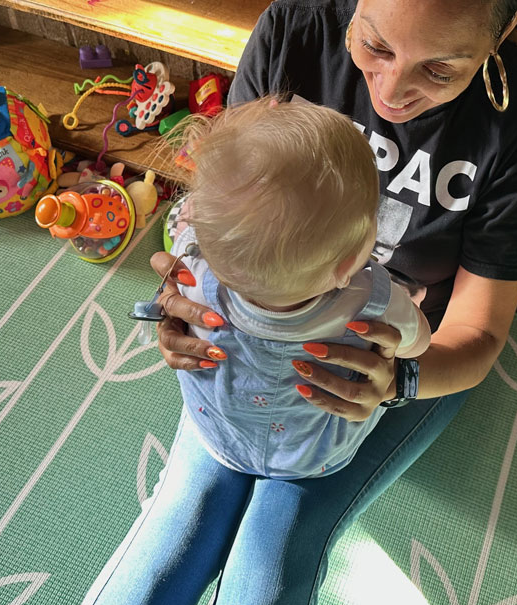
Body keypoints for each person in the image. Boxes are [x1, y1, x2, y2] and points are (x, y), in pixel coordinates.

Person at [57, 0, 517, 605]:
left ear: (507, 29)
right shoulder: (293, 36)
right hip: (248, 339)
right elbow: (220, 210)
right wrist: (179, 301)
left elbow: (475, 330)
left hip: (392, 360)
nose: (393, 89)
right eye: (373, 42)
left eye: (443, 68)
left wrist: (395, 381)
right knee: (184, 517)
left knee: (275, 552)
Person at [164, 97, 431, 479]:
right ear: (346, 269)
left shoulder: (193, 265)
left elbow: (185, 239)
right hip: (315, 454)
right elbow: (418, 344)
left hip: (218, 434)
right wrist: (407, 308)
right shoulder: (373, 300)